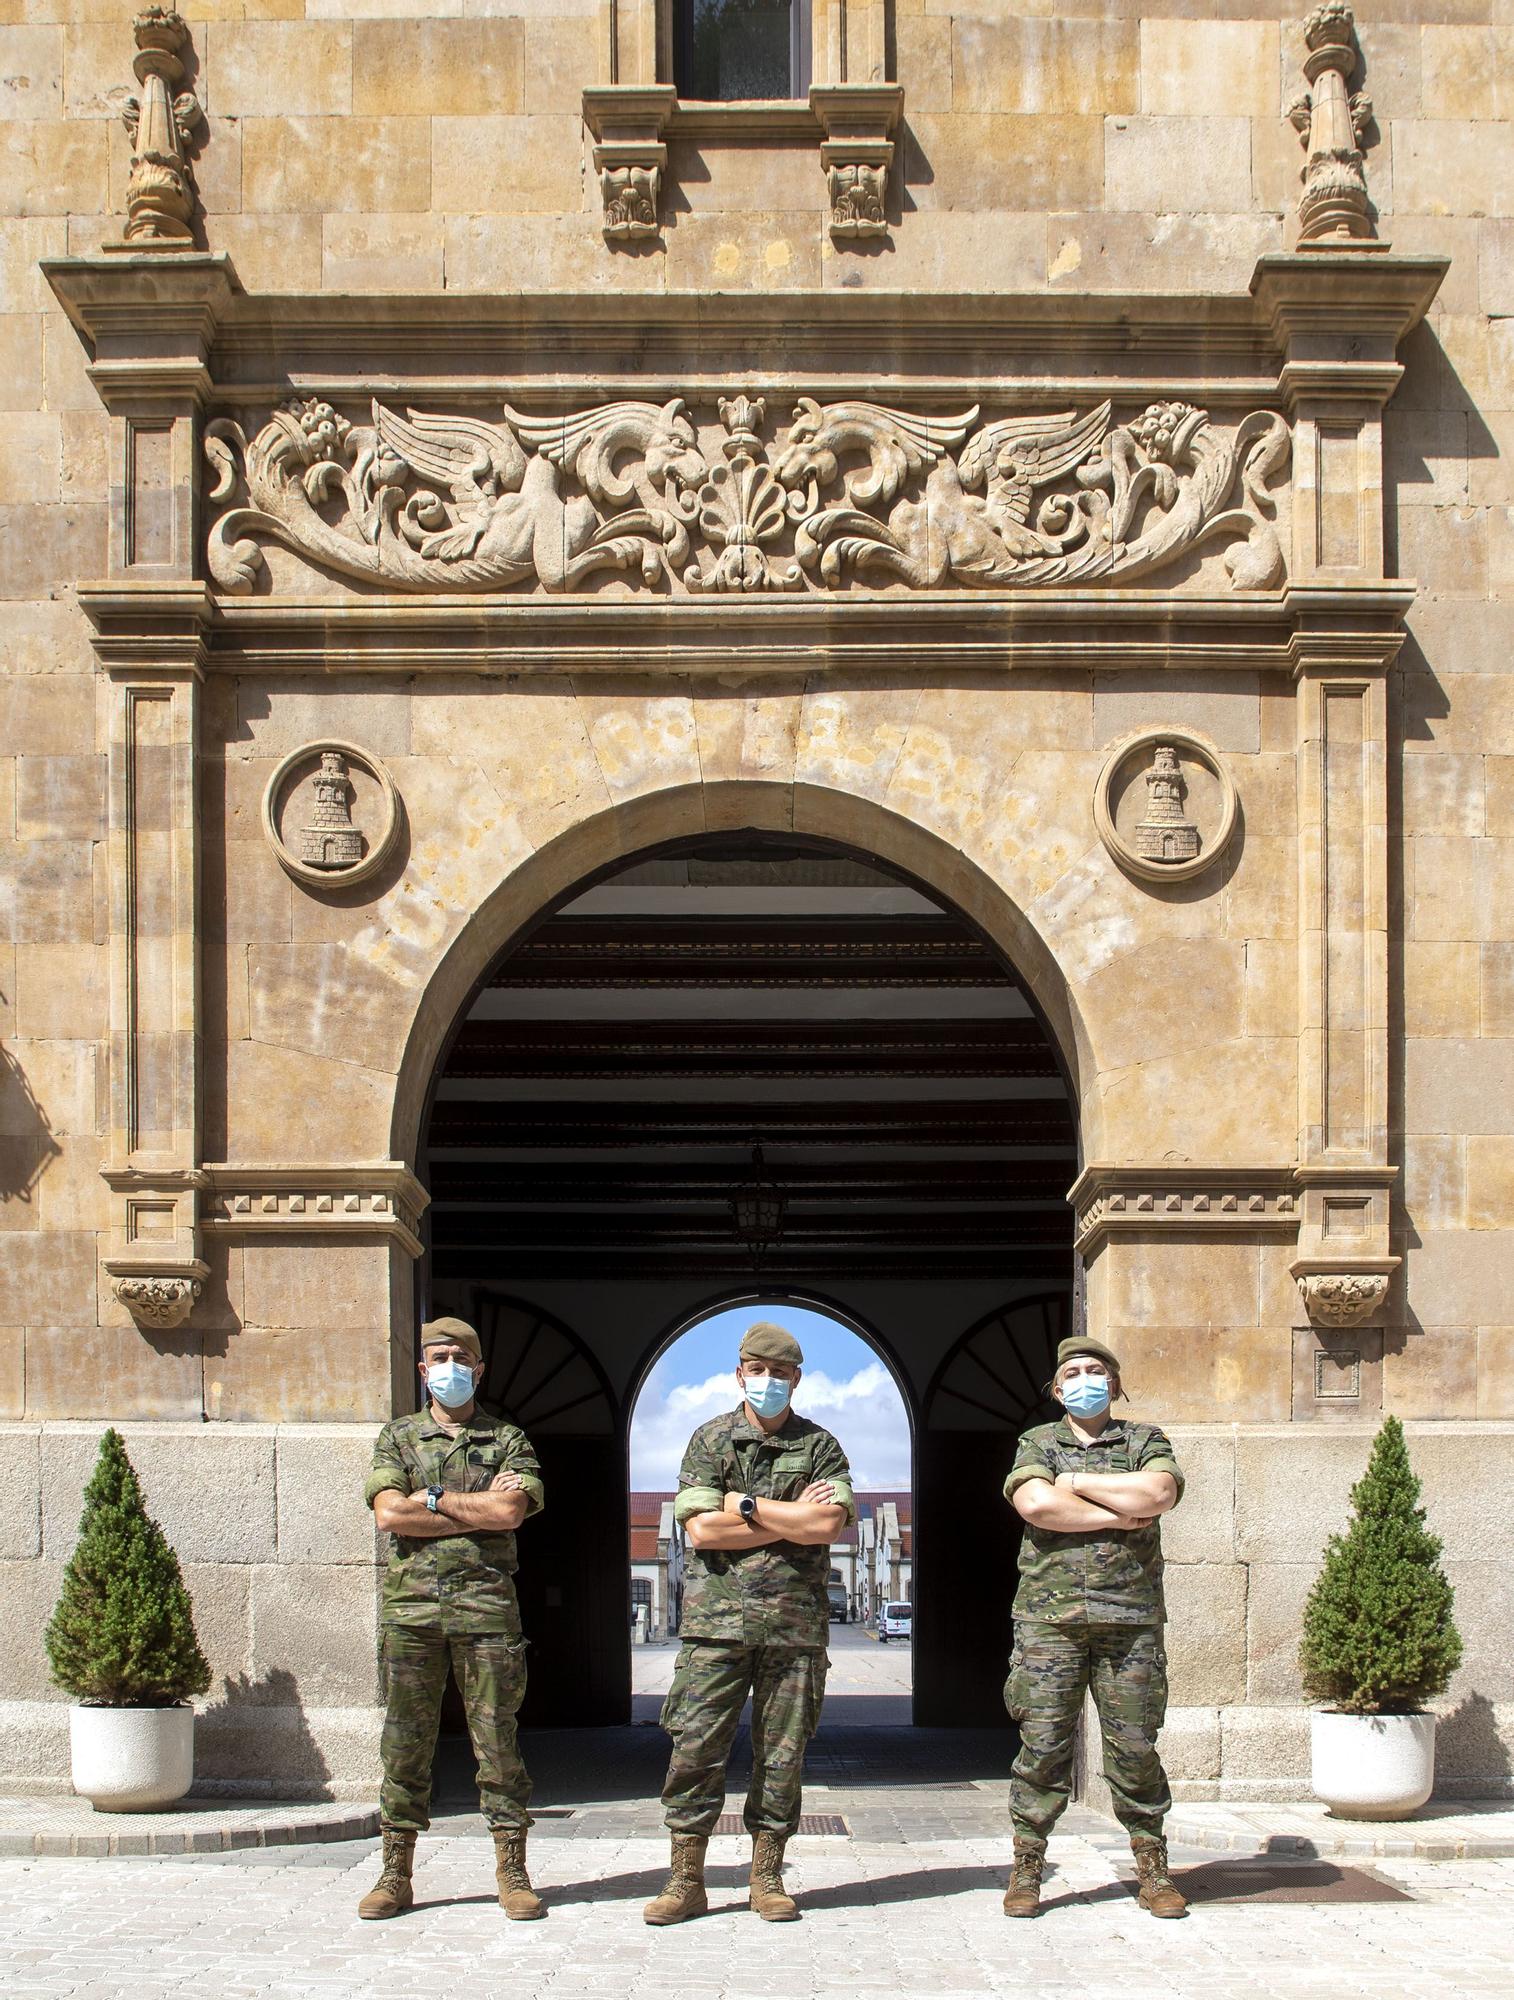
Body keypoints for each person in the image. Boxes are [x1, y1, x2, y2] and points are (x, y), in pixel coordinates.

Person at [643, 1321, 854, 1926]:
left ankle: (767, 1875)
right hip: (715, 1627)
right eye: (756, 1371)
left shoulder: (821, 1446)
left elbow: (826, 1527)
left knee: (782, 1757)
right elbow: (701, 1529)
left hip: (794, 1630)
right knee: (695, 1751)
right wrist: (788, 1516)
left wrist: (744, 1505)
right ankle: (685, 1879)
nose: (767, 1382)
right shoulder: (710, 1441)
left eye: (779, 1373)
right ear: (740, 1375)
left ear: (797, 1378)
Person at [358, 1315, 547, 1923]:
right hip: (412, 1612)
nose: (450, 1368)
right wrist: (478, 1509)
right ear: (422, 1369)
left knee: (497, 1741)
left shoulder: (509, 1439)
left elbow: (512, 1511)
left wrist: (433, 1499)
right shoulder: (397, 1437)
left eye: (460, 1357)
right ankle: (395, 1873)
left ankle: (512, 1871)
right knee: (404, 1743)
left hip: (487, 1611)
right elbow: (389, 1515)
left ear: (479, 1368)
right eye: (439, 1357)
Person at [1000, 1335, 1188, 1921]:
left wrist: (1076, 1483)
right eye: (1073, 1373)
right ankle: (1028, 1867)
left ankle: (1153, 1868)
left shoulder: (1144, 1440)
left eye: (1096, 1371)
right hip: (1049, 1622)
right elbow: (1035, 1506)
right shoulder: (1038, 1441)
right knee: (1044, 1747)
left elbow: (1159, 1491)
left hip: (1128, 1619)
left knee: (1134, 1747)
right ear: (1057, 1390)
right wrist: (1123, 1513)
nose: (1085, 1379)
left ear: (1114, 1382)